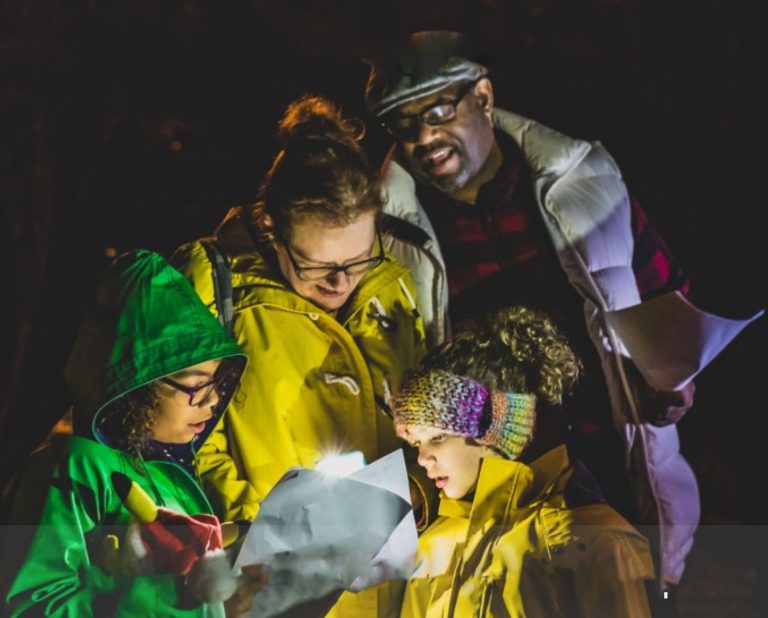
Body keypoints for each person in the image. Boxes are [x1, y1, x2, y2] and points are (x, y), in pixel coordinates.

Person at [364, 30, 698, 589]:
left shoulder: (585, 177)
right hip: (487, 495)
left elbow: (665, 293)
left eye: (440, 110)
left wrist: (676, 376)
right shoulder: (382, 230)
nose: (424, 135)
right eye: (403, 123)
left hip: (610, 459)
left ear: (485, 98)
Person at [171, 95, 429, 616]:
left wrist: (419, 496)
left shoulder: (392, 292)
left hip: (387, 590)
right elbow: (171, 448)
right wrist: (271, 526)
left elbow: (424, 429)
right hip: (262, 586)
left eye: (359, 259)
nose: (341, 282)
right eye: (319, 266)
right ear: (272, 230)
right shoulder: (210, 287)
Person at [1, 250, 267, 617]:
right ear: (138, 390)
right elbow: (27, 605)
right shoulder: (76, 468)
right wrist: (155, 597)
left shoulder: (175, 479)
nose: (213, 401)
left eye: (219, 382)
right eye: (196, 387)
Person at [391, 306, 655, 617]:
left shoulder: (589, 540)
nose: (422, 458)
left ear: (493, 429)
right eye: (416, 443)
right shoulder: (436, 544)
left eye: (437, 438)